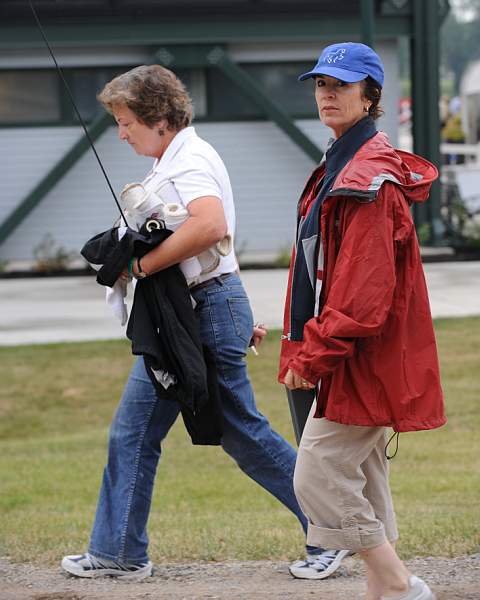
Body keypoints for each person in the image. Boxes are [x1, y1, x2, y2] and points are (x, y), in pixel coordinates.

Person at [61, 64, 348, 580]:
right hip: (193, 314)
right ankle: (117, 551)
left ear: (160, 119)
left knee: (241, 433)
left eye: (126, 122)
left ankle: (334, 532)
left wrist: (140, 265)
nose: (121, 133)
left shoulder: (188, 160)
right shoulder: (178, 156)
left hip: (200, 314)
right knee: (133, 432)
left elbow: (209, 224)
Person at [278, 43, 446, 600]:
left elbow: (364, 297)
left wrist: (313, 355)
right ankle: (386, 591)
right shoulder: (339, 165)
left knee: (318, 475)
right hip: (354, 354)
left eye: (342, 85)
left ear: (371, 95)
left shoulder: (366, 177)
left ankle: (399, 586)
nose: (327, 93)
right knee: (365, 476)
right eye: (321, 84)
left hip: (360, 356)